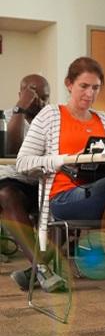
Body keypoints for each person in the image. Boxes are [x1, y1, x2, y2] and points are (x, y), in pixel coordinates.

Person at [16, 57, 105, 290]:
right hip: (64, 199)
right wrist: (61, 160)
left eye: (95, 87)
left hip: (100, 191)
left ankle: (34, 271)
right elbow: (22, 162)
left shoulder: (104, 119)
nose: (90, 93)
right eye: (83, 86)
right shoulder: (50, 116)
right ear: (69, 84)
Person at [3, 74, 61, 292]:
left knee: (64, 200)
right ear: (21, 94)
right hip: (13, 182)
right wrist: (20, 109)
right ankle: (42, 269)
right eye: (35, 96)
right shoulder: (8, 116)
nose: (40, 102)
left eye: (45, 98)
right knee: (6, 196)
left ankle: (36, 270)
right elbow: (12, 148)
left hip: (43, 182)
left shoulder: (52, 119)